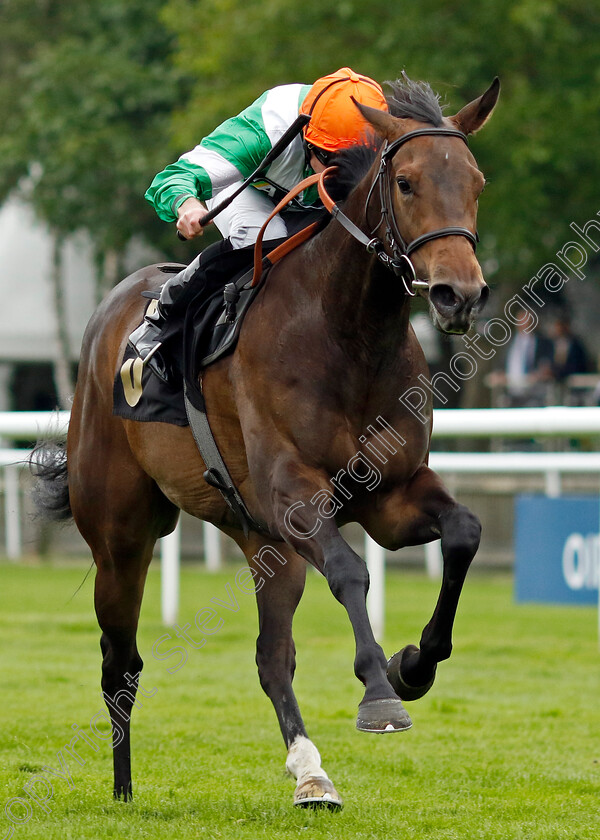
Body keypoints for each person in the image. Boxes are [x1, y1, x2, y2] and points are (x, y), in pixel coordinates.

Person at [129, 67, 389, 379]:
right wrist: (186, 205)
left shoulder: (382, 135)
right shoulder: (263, 132)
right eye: (329, 158)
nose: (342, 172)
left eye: (355, 161)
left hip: (304, 198)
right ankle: (166, 311)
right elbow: (173, 178)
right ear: (307, 137)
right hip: (249, 190)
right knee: (267, 239)